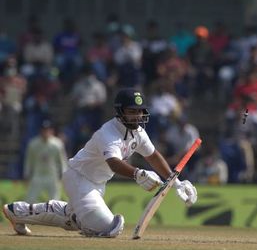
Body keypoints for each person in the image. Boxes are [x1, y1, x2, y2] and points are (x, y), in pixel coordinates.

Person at [3, 88, 197, 238]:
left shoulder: (138, 132)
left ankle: (16, 211)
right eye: (132, 111)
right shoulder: (108, 133)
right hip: (79, 178)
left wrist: (176, 182)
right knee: (110, 227)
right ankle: (82, 218)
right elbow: (113, 163)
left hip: (97, 184)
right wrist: (137, 173)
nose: (137, 116)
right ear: (120, 111)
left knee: (73, 220)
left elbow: (153, 156)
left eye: (140, 111)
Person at [24, 120, 67, 202]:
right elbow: (29, 161)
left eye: (48, 130)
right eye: (44, 130)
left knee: (54, 202)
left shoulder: (57, 144)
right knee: (30, 200)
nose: (45, 132)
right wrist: (27, 174)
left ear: (52, 131)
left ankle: (52, 215)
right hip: (38, 176)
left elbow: (62, 161)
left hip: (52, 176)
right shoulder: (33, 144)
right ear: (40, 131)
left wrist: (63, 175)